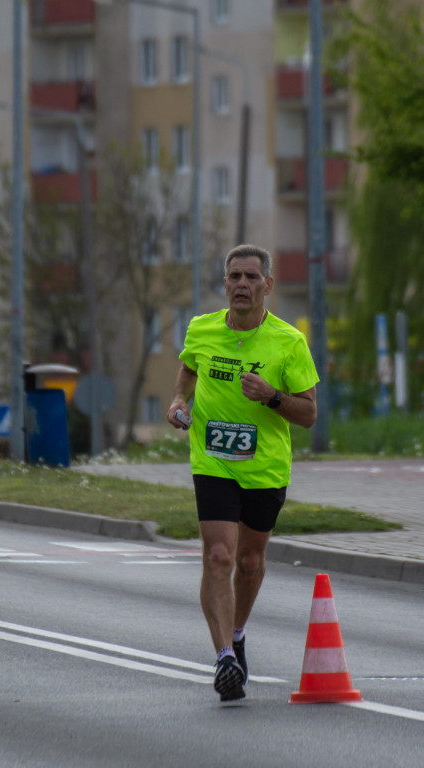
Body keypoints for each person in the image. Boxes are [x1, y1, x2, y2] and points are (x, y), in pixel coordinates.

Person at [167, 244, 318, 702]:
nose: (242, 285)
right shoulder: (201, 329)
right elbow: (187, 375)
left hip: (265, 466)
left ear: (267, 286)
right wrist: (178, 404)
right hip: (212, 460)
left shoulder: (289, 342)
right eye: (235, 277)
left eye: (252, 278)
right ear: (225, 283)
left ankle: (237, 631)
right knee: (218, 556)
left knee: (250, 562)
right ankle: (224, 658)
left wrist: (272, 396)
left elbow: (309, 414)